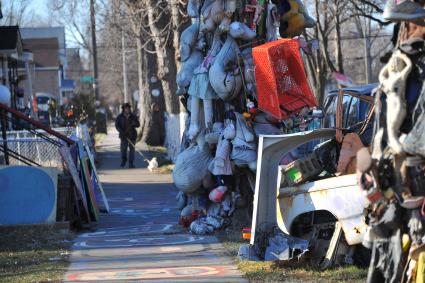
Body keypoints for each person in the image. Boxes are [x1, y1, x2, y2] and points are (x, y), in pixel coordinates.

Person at [115, 103, 140, 168]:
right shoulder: (120, 117)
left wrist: (134, 123)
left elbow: (138, 124)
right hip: (123, 136)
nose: (127, 109)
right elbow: (117, 125)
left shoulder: (133, 116)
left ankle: (131, 163)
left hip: (132, 136)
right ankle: (124, 160)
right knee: (123, 150)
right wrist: (121, 131)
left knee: (132, 150)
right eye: (126, 108)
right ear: (123, 109)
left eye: (128, 108)